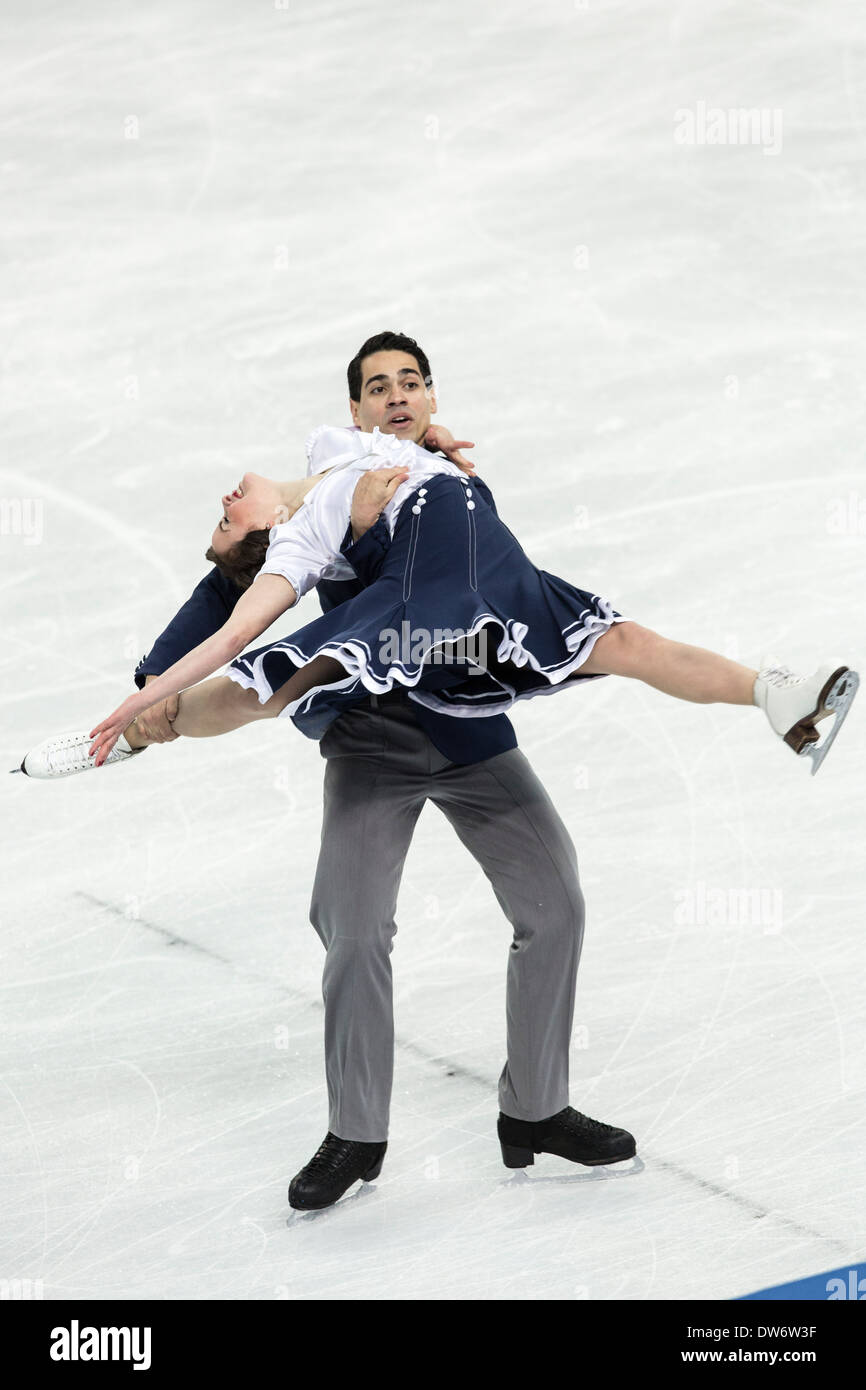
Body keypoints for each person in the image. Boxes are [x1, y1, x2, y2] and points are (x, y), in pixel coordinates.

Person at [18, 332, 858, 1212]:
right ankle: (356, 1134)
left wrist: (429, 448)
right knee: (351, 926)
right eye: (377, 386)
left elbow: (446, 499)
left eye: (410, 383)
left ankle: (535, 1110)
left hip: (467, 732)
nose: (396, 395)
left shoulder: (390, 459)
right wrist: (147, 695)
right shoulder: (296, 529)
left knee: (556, 905)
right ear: (350, 409)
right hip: (374, 740)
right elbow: (221, 613)